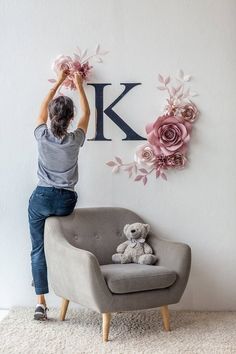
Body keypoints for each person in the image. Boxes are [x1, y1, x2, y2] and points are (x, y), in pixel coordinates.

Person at [28, 69, 90, 320]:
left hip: (42, 199)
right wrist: (78, 84)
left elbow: (42, 108)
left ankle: (41, 303)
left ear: (52, 117)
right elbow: (88, 114)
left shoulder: (41, 135)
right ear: (70, 118)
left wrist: (57, 83)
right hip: (66, 202)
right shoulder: (75, 140)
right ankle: (72, 292)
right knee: (61, 247)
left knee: (38, 249)